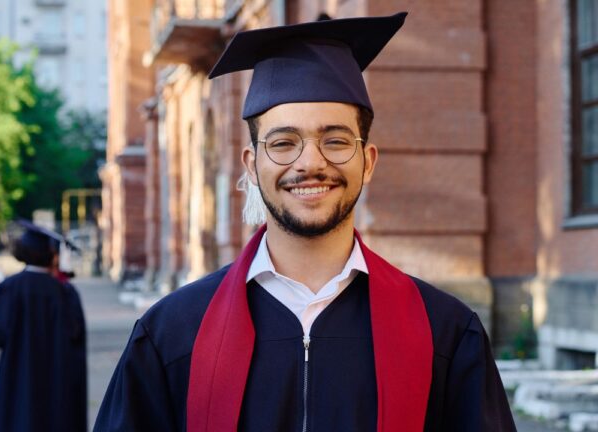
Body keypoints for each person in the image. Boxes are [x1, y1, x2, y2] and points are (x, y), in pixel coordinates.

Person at [95, 12, 517, 432]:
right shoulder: (171, 335)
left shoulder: (444, 333)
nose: (310, 163)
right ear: (252, 164)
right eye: (283, 143)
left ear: (368, 161)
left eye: (335, 140)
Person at [0, 220, 86, 432]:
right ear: (52, 255)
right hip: (56, 378)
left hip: (17, 373)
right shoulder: (65, 292)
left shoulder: (9, 287)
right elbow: (76, 336)